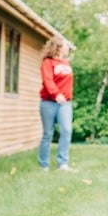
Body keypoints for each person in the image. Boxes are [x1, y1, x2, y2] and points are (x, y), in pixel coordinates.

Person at [38, 35, 74, 171]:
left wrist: (65, 96)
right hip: (48, 102)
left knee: (66, 130)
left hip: (65, 103)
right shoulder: (47, 62)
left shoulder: (66, 64)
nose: (67, 47)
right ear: (58, 47)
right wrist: (56, 93)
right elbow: (48, 80)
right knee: (48, 133)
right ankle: (43, 165)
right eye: (65, 45)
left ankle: (63, 163)